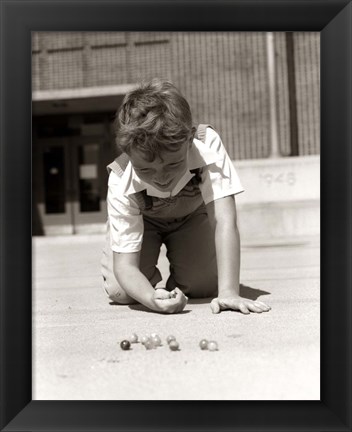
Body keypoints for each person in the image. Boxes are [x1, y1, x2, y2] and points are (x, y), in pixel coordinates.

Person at [101, 78, 271, 315]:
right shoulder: (121, 176)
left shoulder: (206, 143)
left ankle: (184, 277)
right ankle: (151, 282)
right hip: (144, 223)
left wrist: (229, 292)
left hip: (192, 217)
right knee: (122, 291)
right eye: (146, 170)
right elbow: (126, 266)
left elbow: (224, 220)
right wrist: (152, 299)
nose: (161, 178)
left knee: (203, 287)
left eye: (173, 165)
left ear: (189, 140)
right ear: (128, 153)